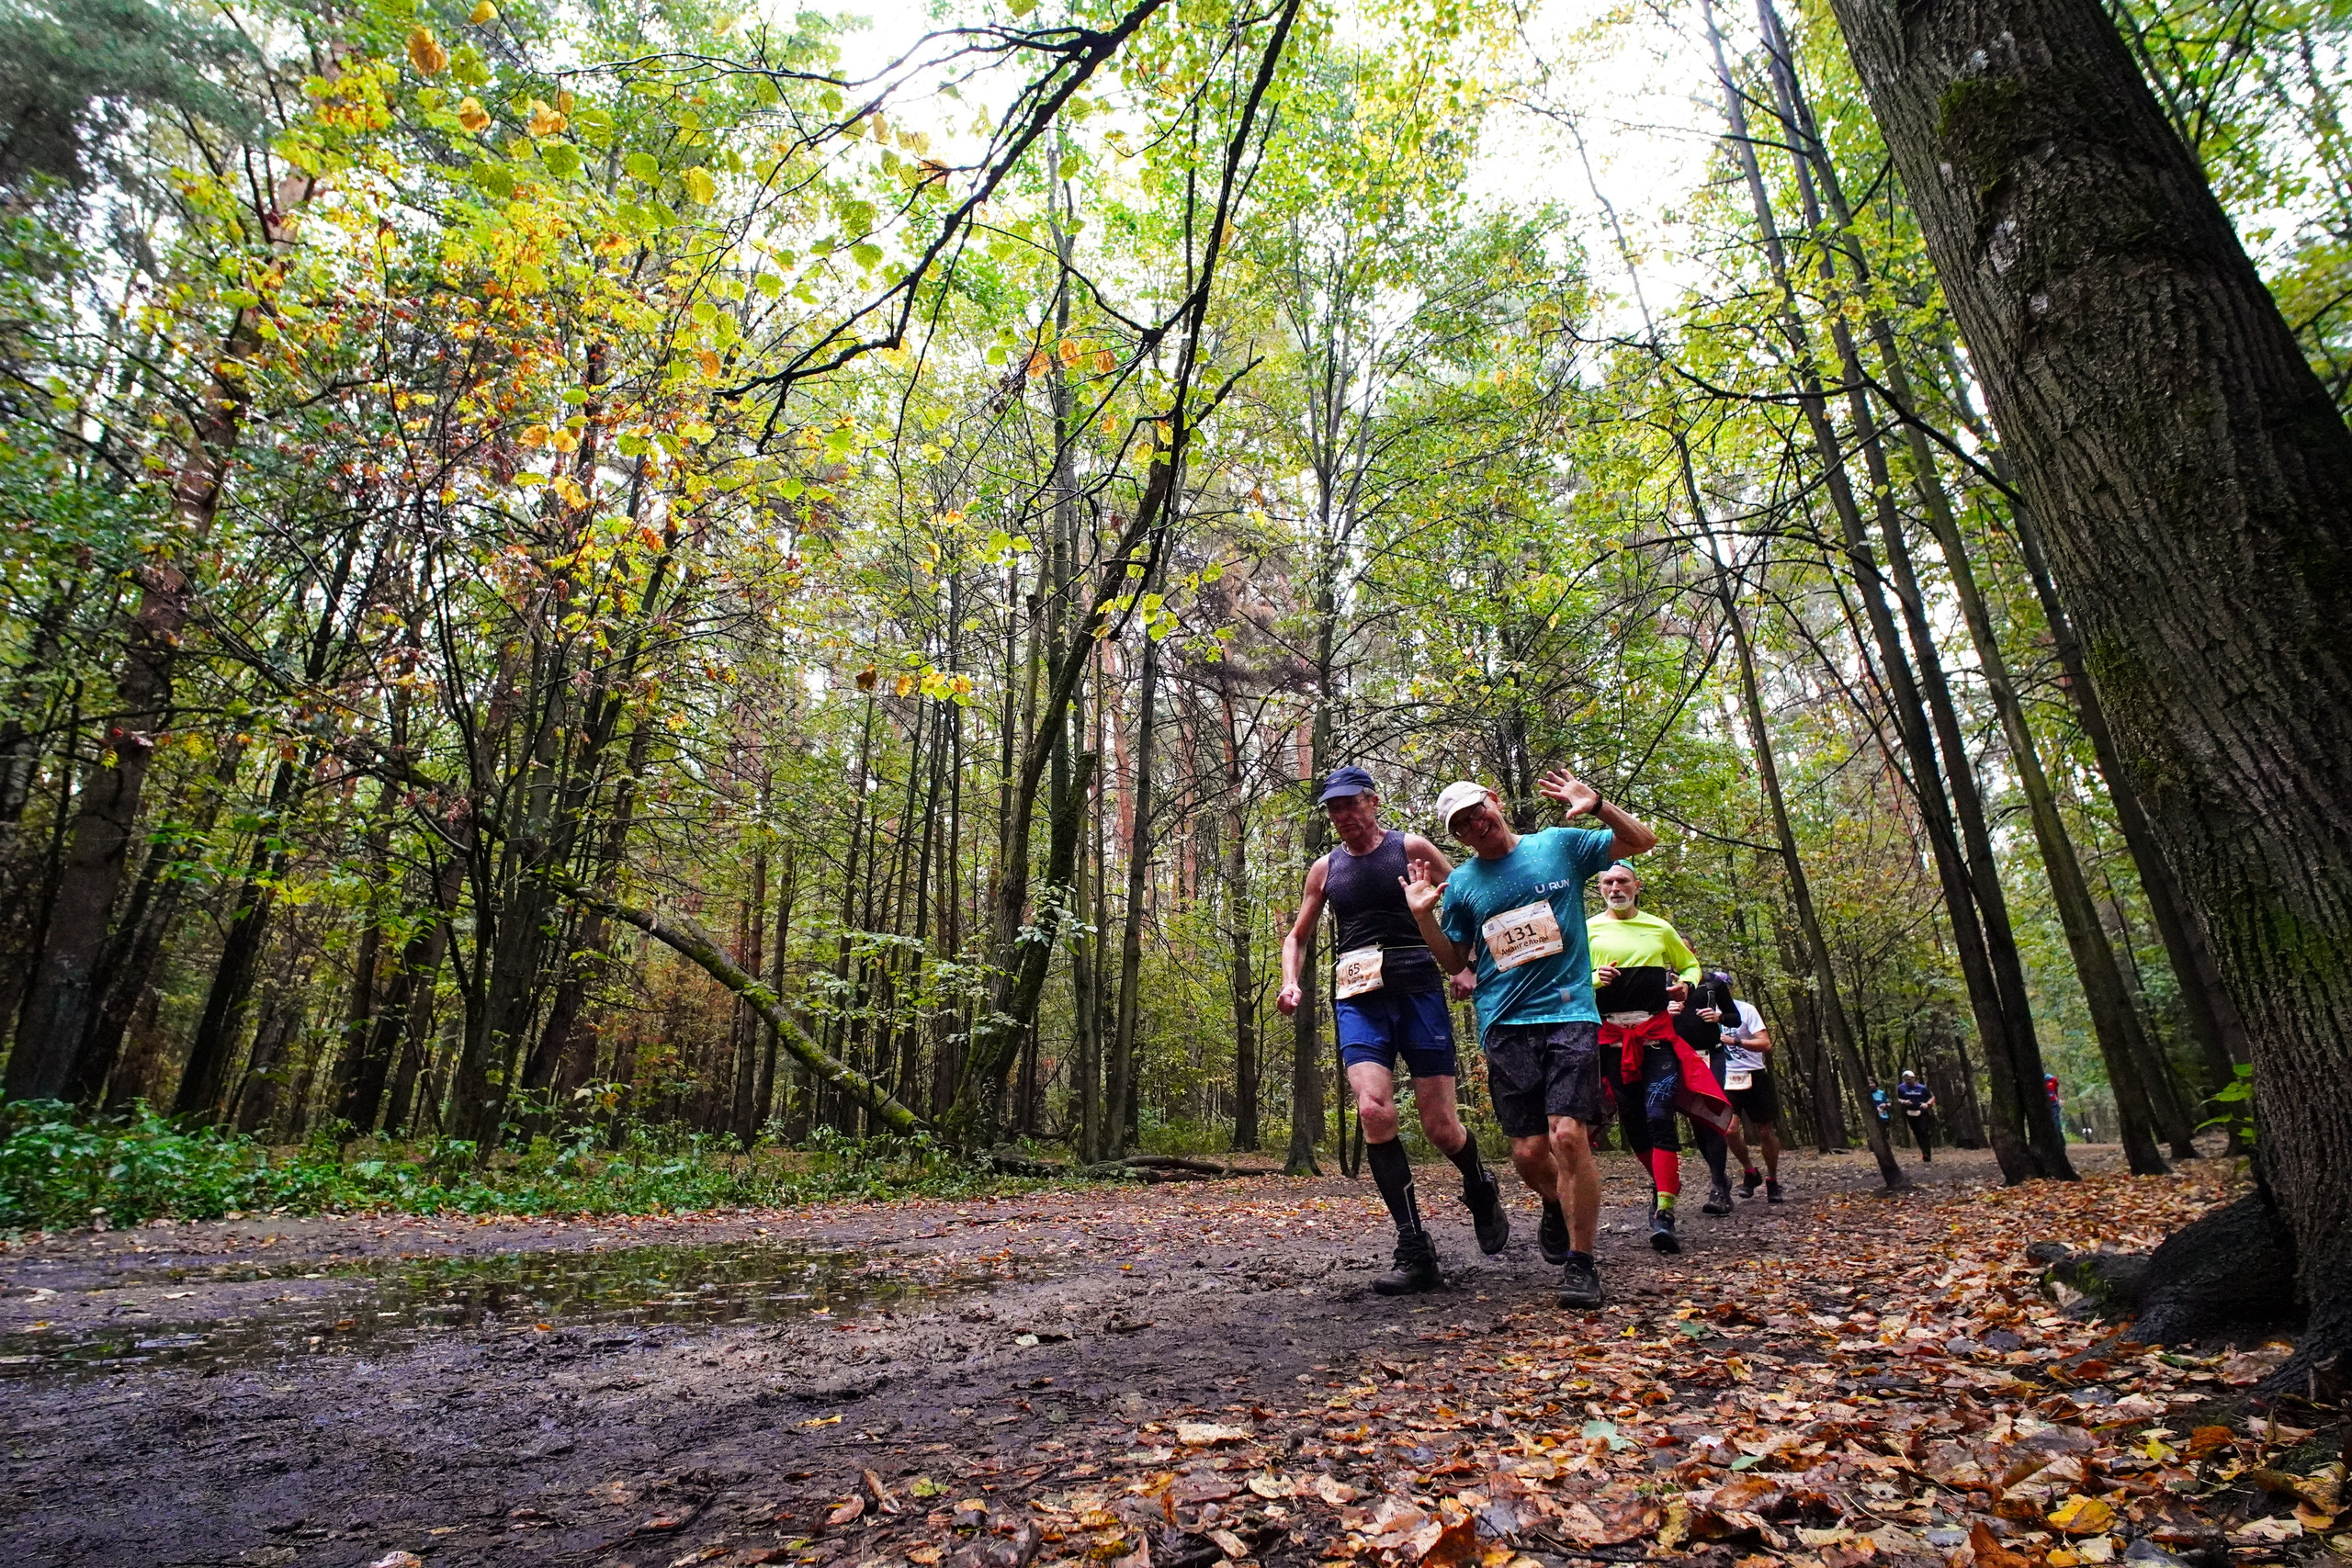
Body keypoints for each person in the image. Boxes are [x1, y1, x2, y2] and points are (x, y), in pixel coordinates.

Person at [1399, 769, 1659, 1310]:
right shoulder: (1465, 885)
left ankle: (1581, 1263)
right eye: (1463, 825)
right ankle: (1552, 1202)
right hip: (1504, 1023)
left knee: (1569, 1136)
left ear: (1494, 802)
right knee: (1527, 1151)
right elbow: (1453, 959)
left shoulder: (1559, 845)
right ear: (1459, 838)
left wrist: (1600, 806)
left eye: (1478, 811)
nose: (1477, 824)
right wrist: (1424, 918)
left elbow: (1641, 841)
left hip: (1570, 1015)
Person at [1278, 766, 1506, 1296]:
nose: (1344, 817)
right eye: (1335, 809)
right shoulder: (1325, 868)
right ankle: (1414, 1245)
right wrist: (1291, 982)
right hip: (1358, 996)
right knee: (1374, 1111)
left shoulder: (1411, 847)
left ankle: (1477, 1181)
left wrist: (1465, 962)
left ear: (1373, 803)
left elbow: (1467, 898)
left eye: (1352, 804)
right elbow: (1298, 936)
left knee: (1441, 1127)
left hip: (1419, 989)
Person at [1586, 864, 1735, 1255]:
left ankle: (1664, 1211)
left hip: (1655, 1038)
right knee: (1635, 1127)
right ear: (1600, 888)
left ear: (1637, 885)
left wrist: (1685, 982)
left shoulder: (1658, 927)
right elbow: (1569, 982)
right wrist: (1596, 978)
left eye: (1622, 881)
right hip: (1613, 1041)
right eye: (1608, 882)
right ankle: (1661, 1184)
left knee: (1658, 1116)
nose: (1615, 887)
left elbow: (1689, 964)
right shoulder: (1587, 930)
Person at [1694, 971, 1784, 1203]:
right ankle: (1750, 1171)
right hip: (1726, 1077)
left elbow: (1766, 1043)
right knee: (1729, 1130)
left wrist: (1737, 1041)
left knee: (1765, 1130)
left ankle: (1773, 1179)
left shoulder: (1746, 1010)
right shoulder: (1701, 1011)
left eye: (1724, 987)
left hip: (1754, 1075)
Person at [1896, 1069, 1937, 1163]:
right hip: (1910, 1113)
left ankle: (1927, 1155)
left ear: (1914, 1078)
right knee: (1917, 1133)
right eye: (1906, 1079)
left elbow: (1932, 1097)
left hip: (1922, 1113)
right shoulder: (1901, 1088)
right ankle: (1923, 1151)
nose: (1908, 1081)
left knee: (1923, 1132)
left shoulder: (1922, 1088)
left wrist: (1927, 1104)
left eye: (1909, 1079)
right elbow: (1898, 1098)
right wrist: (1904, 1102)